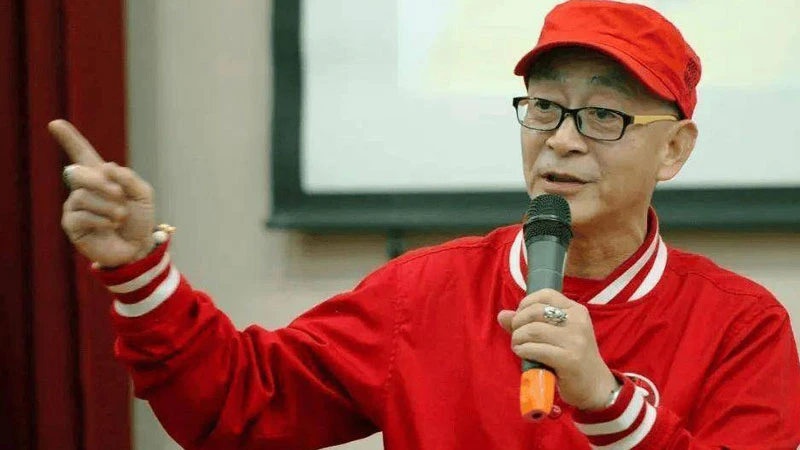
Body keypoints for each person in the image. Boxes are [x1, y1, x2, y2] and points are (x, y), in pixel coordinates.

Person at [53, 1, 800, 449]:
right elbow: (241, 405)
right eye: (545, 106)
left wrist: (607, 403)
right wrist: (136, 268)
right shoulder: (425, 292)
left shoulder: (741, 326)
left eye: (603, 115)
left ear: (674, 149)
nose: (563, 140)